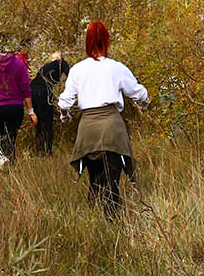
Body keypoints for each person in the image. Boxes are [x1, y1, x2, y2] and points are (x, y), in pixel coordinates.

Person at [56, 21, 148, 216]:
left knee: (95, 181)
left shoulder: (77, 70)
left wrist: (65, 116)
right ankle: (112, 223)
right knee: (112, 181)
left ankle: (93, 223)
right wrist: (144, 102)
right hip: (112, 127)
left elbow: (64, 102)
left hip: (88, 129)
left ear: (87, 43)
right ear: (107, 41)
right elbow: (138, 93)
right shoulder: (117, 68)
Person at [0, 36, 37, 167]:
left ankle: (2, 159)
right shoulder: (19, 63)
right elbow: (26, 89)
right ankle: (10, 168)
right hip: (16, 108)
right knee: (11, 139)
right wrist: (31, 111)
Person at [31, 50, 71, 155]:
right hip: (44, 91)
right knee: (47, 121)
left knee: (38, 122)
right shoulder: (62, 63)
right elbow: (70, 77)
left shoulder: (46, 66)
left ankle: (39, 150)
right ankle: (47, 151)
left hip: (32, 91)